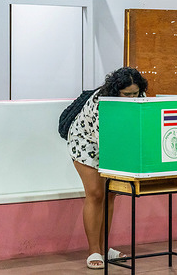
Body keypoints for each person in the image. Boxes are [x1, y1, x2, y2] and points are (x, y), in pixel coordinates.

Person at [67, 67, 148, 269]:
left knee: (111, 194)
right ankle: (94, 250)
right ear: (115, 91)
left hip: (114, 144)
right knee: (95, 194)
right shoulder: (100, 101)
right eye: (126, 94)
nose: (131, 98)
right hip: (86, 143)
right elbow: (104, 139)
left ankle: (105, 248)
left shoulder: (142, 97)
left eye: (134, 94)